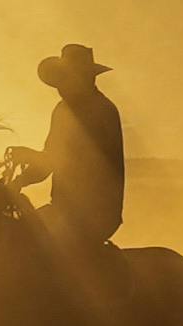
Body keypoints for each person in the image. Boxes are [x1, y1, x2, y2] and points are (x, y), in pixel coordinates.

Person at [31, 43, 126, 250]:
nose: (60, 88)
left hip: (95, 213)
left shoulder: (100, 111)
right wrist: (21, 179)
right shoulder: (63, 110)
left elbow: (64, 160)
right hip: (65, 209)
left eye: (64, 80)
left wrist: (30, 158)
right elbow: (49, 161)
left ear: (83, 79)